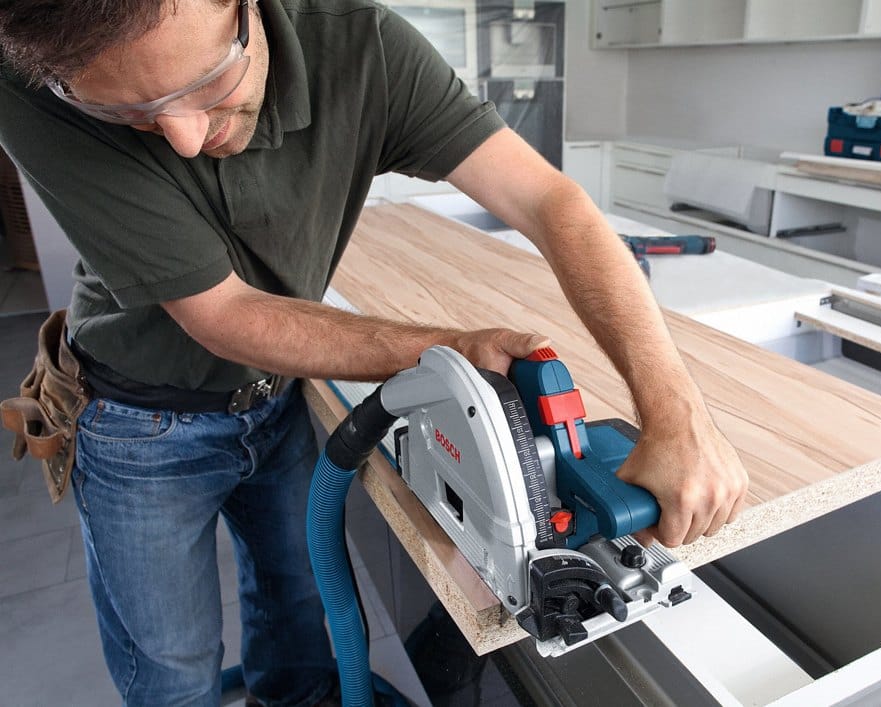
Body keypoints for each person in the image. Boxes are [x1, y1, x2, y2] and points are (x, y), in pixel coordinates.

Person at [0, 0, 749, 704]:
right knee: (169, 662)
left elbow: (552, 202)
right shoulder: (32, 75)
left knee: (294, 609)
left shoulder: (362, 46)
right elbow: (225, 314)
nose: (186, 139)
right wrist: (451, 350)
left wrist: (676, 415)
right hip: (136, 418)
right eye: (129, 113)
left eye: (207, 83)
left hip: (275, 397)